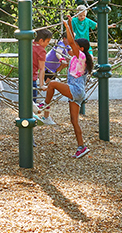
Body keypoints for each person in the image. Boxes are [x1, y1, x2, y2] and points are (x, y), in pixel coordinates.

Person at [39, 17, 93, 158]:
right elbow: (72, 40)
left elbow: (71, 41)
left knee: (52, 84)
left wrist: (66, 26)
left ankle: (44, 105)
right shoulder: (76, 58)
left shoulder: (81, 56)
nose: (70, 47)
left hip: (75, 90)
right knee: (74, 121)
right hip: (78, 93)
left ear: (80, 49)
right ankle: (81, 147)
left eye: (73, 46)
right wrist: (69, 23)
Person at [32, 28, 55, 125]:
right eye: (47, 41)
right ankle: (33, 116)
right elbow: (42, 69)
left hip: (22, 77)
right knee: (32, 100)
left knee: (26, 99)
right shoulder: (41, 51)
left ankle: (33, 114)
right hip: (32, 78)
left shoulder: (29, 45)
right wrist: (41, 84)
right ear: (41, 40)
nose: (48, 44)